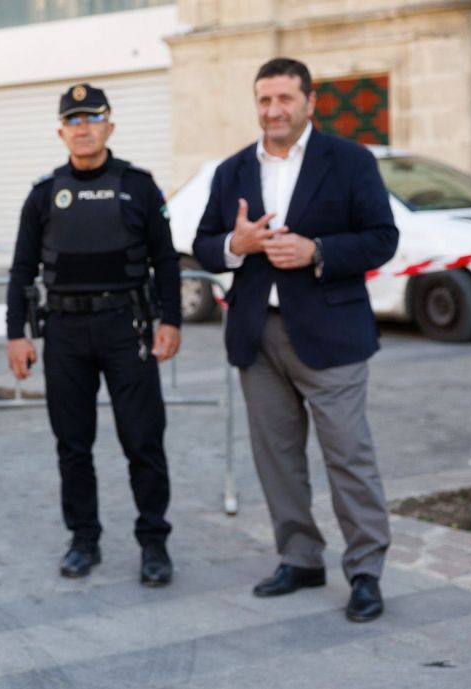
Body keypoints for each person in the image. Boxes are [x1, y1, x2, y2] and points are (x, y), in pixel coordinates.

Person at [192, 58, 398, 622]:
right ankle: (301, 556)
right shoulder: (232, 170)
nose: (273, 110)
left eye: (284, 98)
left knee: (349, 457)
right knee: (277, 459)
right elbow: (205, 243)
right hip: (257, 336)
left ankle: (365, 571)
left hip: (333, 335)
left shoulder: (350, 161)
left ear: (309, 102)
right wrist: (236, 245)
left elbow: (382, 238)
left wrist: (319, 252)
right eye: (264, 100)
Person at [6, 83, 182, 587]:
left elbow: (165, 261)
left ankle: (154, 543)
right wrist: (16, 334)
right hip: (64, 334)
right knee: (72, 445)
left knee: (144, 442)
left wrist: (171, 320)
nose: (83, 127)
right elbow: (21, 270)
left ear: (110, 125)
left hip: (126, 329)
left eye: (92, 117)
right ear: (61, 132)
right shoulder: (44, 194)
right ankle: (84, 540)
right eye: (74, 120)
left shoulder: (139, 186)